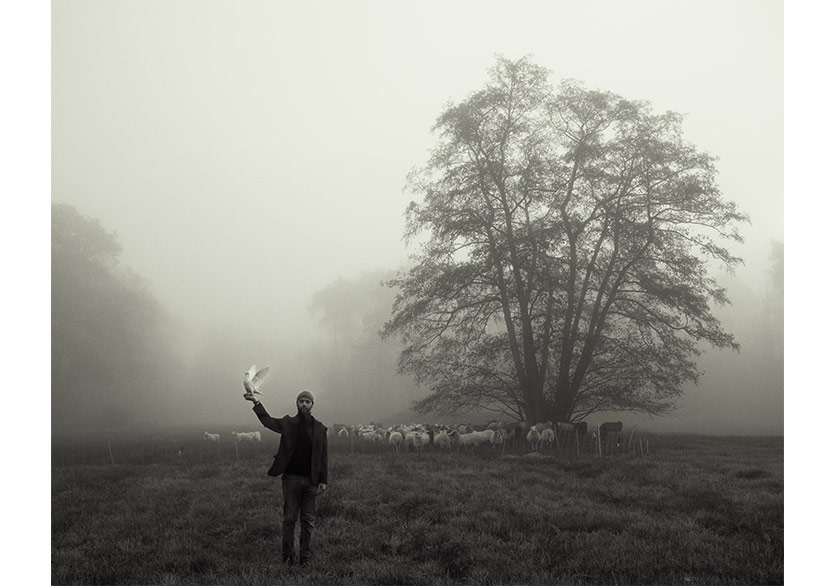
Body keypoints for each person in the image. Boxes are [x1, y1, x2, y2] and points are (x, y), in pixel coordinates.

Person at [243, 388, 328, 567]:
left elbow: (323, 456)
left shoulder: (320, 428)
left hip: (311, 481)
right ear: (297, 403)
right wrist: (255, 402)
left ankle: (305, 558)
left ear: (312, 405)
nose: (304, 404)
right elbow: (268, 421)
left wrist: (323, 480)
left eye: (307, 402)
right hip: (291, 479)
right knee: (289, 519)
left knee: (308, 521)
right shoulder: (288, 423)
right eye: (301, 401)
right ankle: (288, 558)